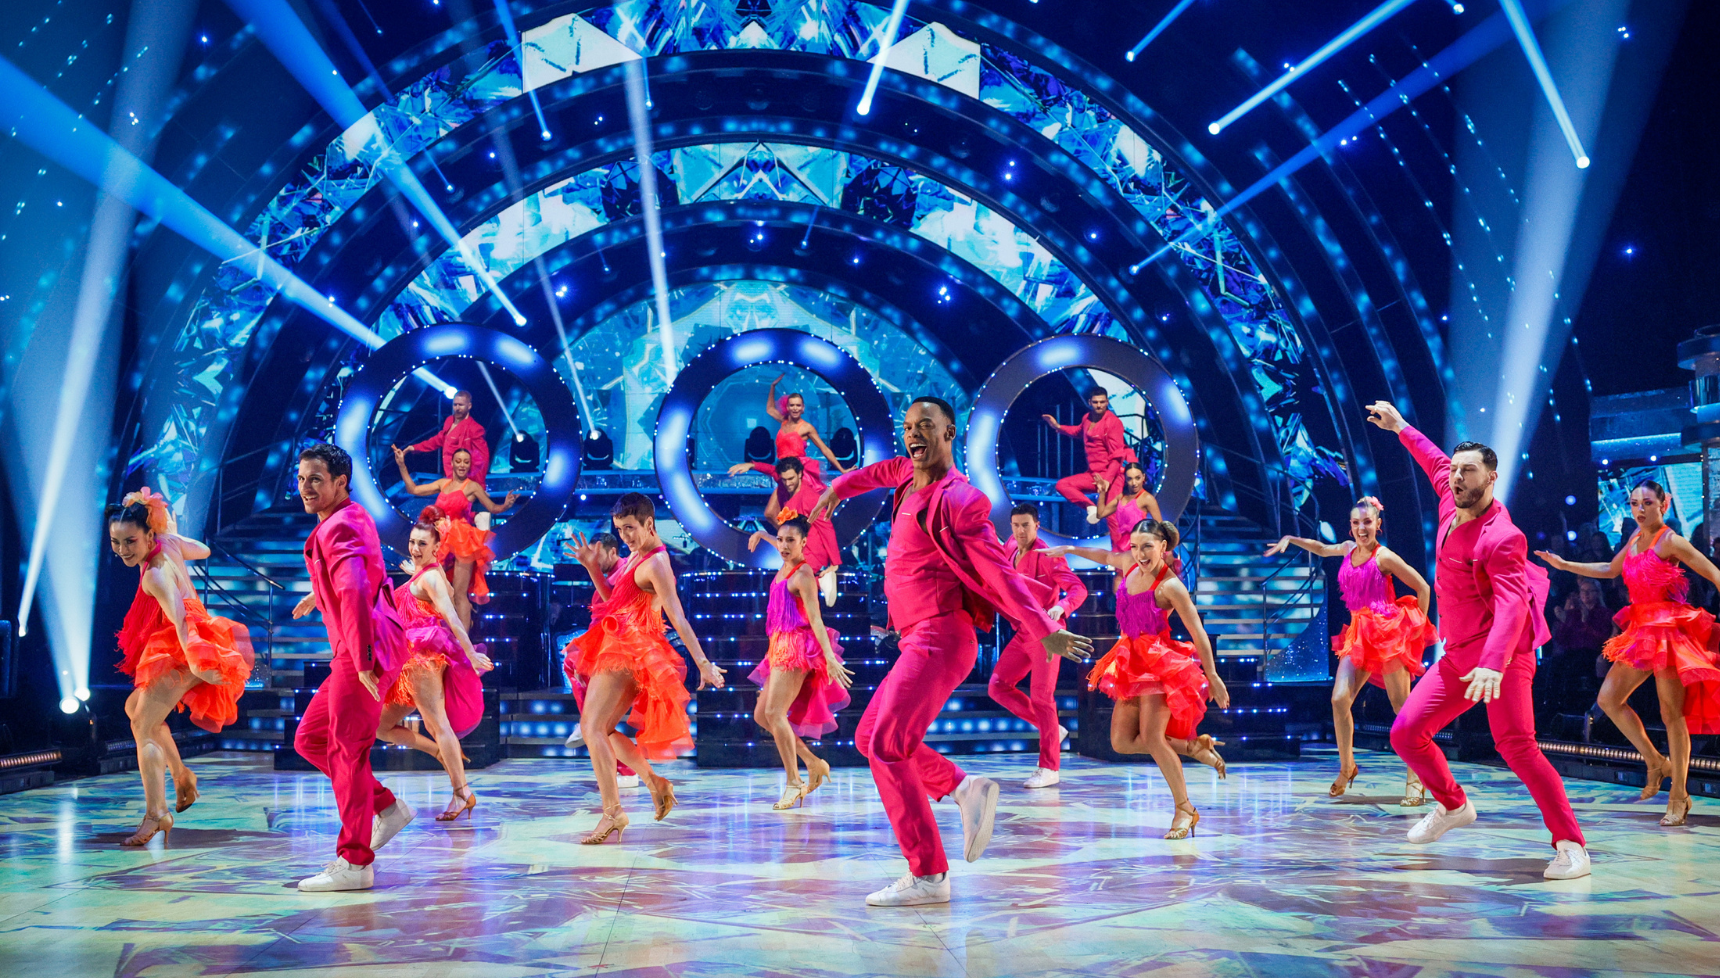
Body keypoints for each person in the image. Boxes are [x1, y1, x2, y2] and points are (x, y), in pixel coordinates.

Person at [813, 396, 1093, 907]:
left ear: (948, 433)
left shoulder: (961, 500)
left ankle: (929, 875)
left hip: (942, 636)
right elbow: (876, 472)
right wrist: (836, 487)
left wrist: (1041, 629)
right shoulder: (906, 475)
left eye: (925, 426)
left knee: (887, 746)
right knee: (869, 736)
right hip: (915, 637)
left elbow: (999, 573)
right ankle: (964, 789)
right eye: (908, 427)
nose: (913, 435)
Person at [1366, 401, 1590, 880]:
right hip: (1459, 654)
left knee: (1517, 747)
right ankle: (1453, 805)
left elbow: (1511, 605)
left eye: (1468, 471)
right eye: (1456, 470)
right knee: (1405, 734)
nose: (1456, 477)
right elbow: (1433, 460)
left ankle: (1571, 845)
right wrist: (1401, 426)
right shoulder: (1451, 500)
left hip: (1504, 658)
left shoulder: (1502, 537)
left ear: (1491, 478)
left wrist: (1493, 662)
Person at [1536, 480, 1720, 826]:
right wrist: (1564, 565)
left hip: (1667, 630)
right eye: (1634, 503)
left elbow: (1713, 573)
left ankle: (1679, 794)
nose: (1639, 509)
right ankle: (1655, 761)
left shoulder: (1671, 540)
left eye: (1647, 503)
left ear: (1663, 504)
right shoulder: (1635, 538)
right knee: (1608, 699)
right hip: (1641, 629)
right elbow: (1609, 569)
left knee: (1671, 713)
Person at [1044, 521, 1230, 838]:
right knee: (1121, 742)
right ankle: (1192, 746)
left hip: (1157, 663)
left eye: (1147, 547)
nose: (1139, 553)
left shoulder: (1170, 586)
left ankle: (1184, 809)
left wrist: (1212, 675)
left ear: (1163, 547)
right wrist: (1071, 549)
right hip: (1129, 662)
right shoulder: (1130, 564)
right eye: (1134, 546)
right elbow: (1105, 556)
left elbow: (1197, 631)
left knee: (1153, 738)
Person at [560, 495, 726, 844]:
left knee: (592, 727)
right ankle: (654, 784)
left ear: (650, 524)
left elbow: (677, 616)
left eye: (630, 528)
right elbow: (613, 602)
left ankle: (613, 812)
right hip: (621, 646)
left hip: (629, 651)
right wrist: (592, 568)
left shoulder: (657, 562)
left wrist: (703, 663)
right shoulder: (637, 555)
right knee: (601, 730)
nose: (625, 537)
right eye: (620, 530)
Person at [289, 442, 411, 892]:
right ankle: (386, 806)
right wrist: (317, 593)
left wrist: (362, 661)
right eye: (301, 479)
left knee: (347, 751)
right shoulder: (344, 519)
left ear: (341, 482)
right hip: (356, 648)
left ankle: (355, 863)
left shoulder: (340, 524)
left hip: (362, 651)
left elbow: (357, 591)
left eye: (315, 480)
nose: (305, 487)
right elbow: (354, 577)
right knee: (310, 739)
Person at [1265, 496, 1436, 805]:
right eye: (1356, 523)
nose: (1361, 528)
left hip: (1387, 633)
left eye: (1367, 522)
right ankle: (1347, 767)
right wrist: (1291, 538)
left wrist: (1415, 631)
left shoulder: (1384, 557)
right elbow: (1321, 548)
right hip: (1358, 633)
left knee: (1402, 708)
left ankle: (1416, 778)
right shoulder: (1347, 549)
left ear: (1378, 524)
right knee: (1339, 699)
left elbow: (1423, 587)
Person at [107, 487, 254, 846]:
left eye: (130, 541)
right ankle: (181, 774)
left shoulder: (153, 575)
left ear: (148, 536)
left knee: (143, 725)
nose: (123, 550)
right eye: (116, 542)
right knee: (134, 709)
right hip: (185, 637)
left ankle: (156, 813)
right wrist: (172, 534)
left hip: (181, 644)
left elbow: (181, 621)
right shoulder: (168, 543)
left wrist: (197, 663)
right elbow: (202, 550)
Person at [372, 518, 495, 821]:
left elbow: (451, 615)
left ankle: (461, 792)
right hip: (406, 663)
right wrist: (415, 572)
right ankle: (439, 753)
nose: (414, 548)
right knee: (381, 727)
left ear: (437, 547)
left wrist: (470, 652)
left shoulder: (431, 578)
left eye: (422, 543)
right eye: (412, 542)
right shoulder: (428, 573)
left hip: (422, 661)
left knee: (438, 725)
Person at [746, 516, 856, 809]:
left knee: (774, 713)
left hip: (796, 648)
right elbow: (779, 543)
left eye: (790, 541)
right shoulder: (785, 559)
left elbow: (817, 619)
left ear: (804, 543)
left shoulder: (804, 575)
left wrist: (830, 657)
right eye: (780, 540)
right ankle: (813, 762)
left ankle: (794, 782)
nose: (783, 546)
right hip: (778, 645)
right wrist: (762, 534)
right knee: (762, 715)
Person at [987, 502, 1089, 788]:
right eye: (1016, 526)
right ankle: (1052, 729)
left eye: (1026, 526)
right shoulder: (1009, 545)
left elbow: (1078, 589)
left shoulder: (1047, 556)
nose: (1020, 531)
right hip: (1023, 631)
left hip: (1046, 633)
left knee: (1042, 697)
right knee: (997, 686)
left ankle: (1049, 767)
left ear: (1037, 526)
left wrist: (1062, 606)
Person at [394, 445, 517, 630]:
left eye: (466, 462)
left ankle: (463, 641)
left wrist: (506, 505)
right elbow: (413, 489)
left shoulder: (472, 486)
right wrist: (402, 465)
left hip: (462, 540)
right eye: (458, 461)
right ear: (451, 463)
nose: (462, 465)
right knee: (434, 587)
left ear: (470, 465)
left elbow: (493, 508)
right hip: (441, 539)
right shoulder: (442, 483)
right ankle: (438, 631)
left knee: (459, 594)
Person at [560, 532, 640, 789]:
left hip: (617, 647)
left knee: (600, 724)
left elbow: (615, 608)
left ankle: (628, 771)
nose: (593, 559)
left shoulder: (626, 571)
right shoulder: (611, 574)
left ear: (613, 551)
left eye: (597, 554)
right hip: (602, 642)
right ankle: (624, 771)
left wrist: (591, 568)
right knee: (599, 723)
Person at [729, 455, 842, 606]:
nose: (788, 483)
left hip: (811, 551)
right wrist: (752, 465)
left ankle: (820, 582)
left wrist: (835, 562)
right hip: (797, 548)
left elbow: (827, 528)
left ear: (800, 474)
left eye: (791, 479)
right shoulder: (786, 485)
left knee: (788, 590)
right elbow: (773, 471)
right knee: (779, 588)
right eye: (784, 480)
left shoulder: (810, 498)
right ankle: (818, 583)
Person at [1042, 388, 1137, 524]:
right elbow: (1078, 431)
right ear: (1089, 402)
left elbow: (1117, 456)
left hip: (1112, 475)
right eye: (1096, 402)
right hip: (1094, 474)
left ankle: (1125, 539)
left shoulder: (1113, 422)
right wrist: (1058, 426)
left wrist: (1107, 481)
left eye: (1102, 402)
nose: (1099, 405)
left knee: (1113, 518)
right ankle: (1091, 508)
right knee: (1063, 485)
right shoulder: (1087, 418)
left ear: (1107, 402)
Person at [765, 374, 850, 485]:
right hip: (783, 471)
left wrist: (842, 469)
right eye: (792, 405)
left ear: (803, 408)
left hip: (798, 474)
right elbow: (770, 409)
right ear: (787, 407)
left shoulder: (807, 427)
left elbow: (824, 449)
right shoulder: (783, 421)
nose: (795, 408)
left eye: (798, 405)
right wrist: (772, 386)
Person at [399, 389, 491, 486]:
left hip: (464, 481)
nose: (457, 408)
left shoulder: (475, 429)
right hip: (448, 477)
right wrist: (415, 447)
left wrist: (479, 486)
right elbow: (438, 440)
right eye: (455, 405)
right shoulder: (449, 420)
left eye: (461, 405)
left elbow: (482, 459)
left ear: (469, 406)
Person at [1094, 463, 1161, 553]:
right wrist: (1102, 492)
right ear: (1125, 479)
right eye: (1130, 479)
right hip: (1123, 545)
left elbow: (1160, 527)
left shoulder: (1147, 498)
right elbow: (1100, 514)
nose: (1134, 483)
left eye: (1137, 478)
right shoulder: (1121, 497)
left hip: (1140, 548)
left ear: (1143, 477)